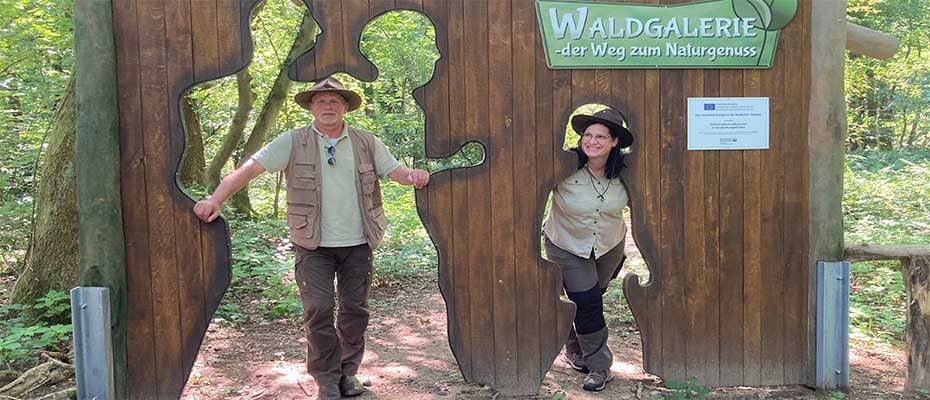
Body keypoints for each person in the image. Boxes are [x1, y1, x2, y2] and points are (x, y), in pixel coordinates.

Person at [193, 76, 429, 399]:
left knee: (354, 310)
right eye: (321, 101)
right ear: (311, 107)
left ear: (346, 107)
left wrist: (415, 176)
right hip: (312, 245)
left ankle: (348, 374)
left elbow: (396, 173)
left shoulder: (367, 142)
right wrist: (215, 200)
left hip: (359, 243)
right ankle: (327, 380)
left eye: (334, 100)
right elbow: (248, 169)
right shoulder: (292, 141)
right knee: (318, 308)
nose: (328, 106)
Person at [542, 107, 633, 392]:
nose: (592, 141)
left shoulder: (627, 172)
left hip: (609, 246)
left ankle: (574, 347)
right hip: (566, 245)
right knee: (588, 304)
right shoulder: (563, 165)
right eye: (588, 135)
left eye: (600, 137)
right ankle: (600, 367)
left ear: (614, 141)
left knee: (587, 300)